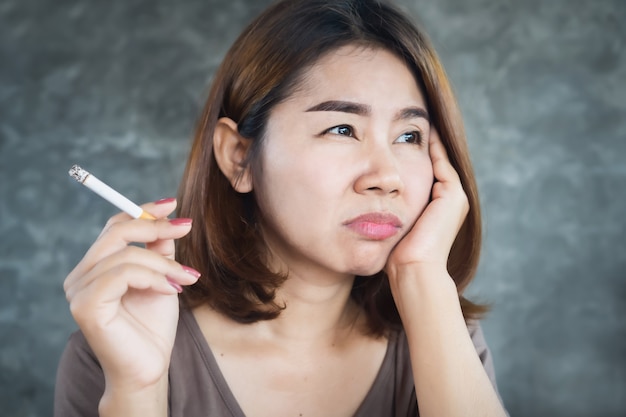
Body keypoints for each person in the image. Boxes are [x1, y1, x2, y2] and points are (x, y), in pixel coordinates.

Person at [55, 0, 509, 416]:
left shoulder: (444, 335)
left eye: (409, 136)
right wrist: (137, 390)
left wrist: (421, 277)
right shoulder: (117, 347)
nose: (386, 177)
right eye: (341, 129)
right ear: (238, 156)